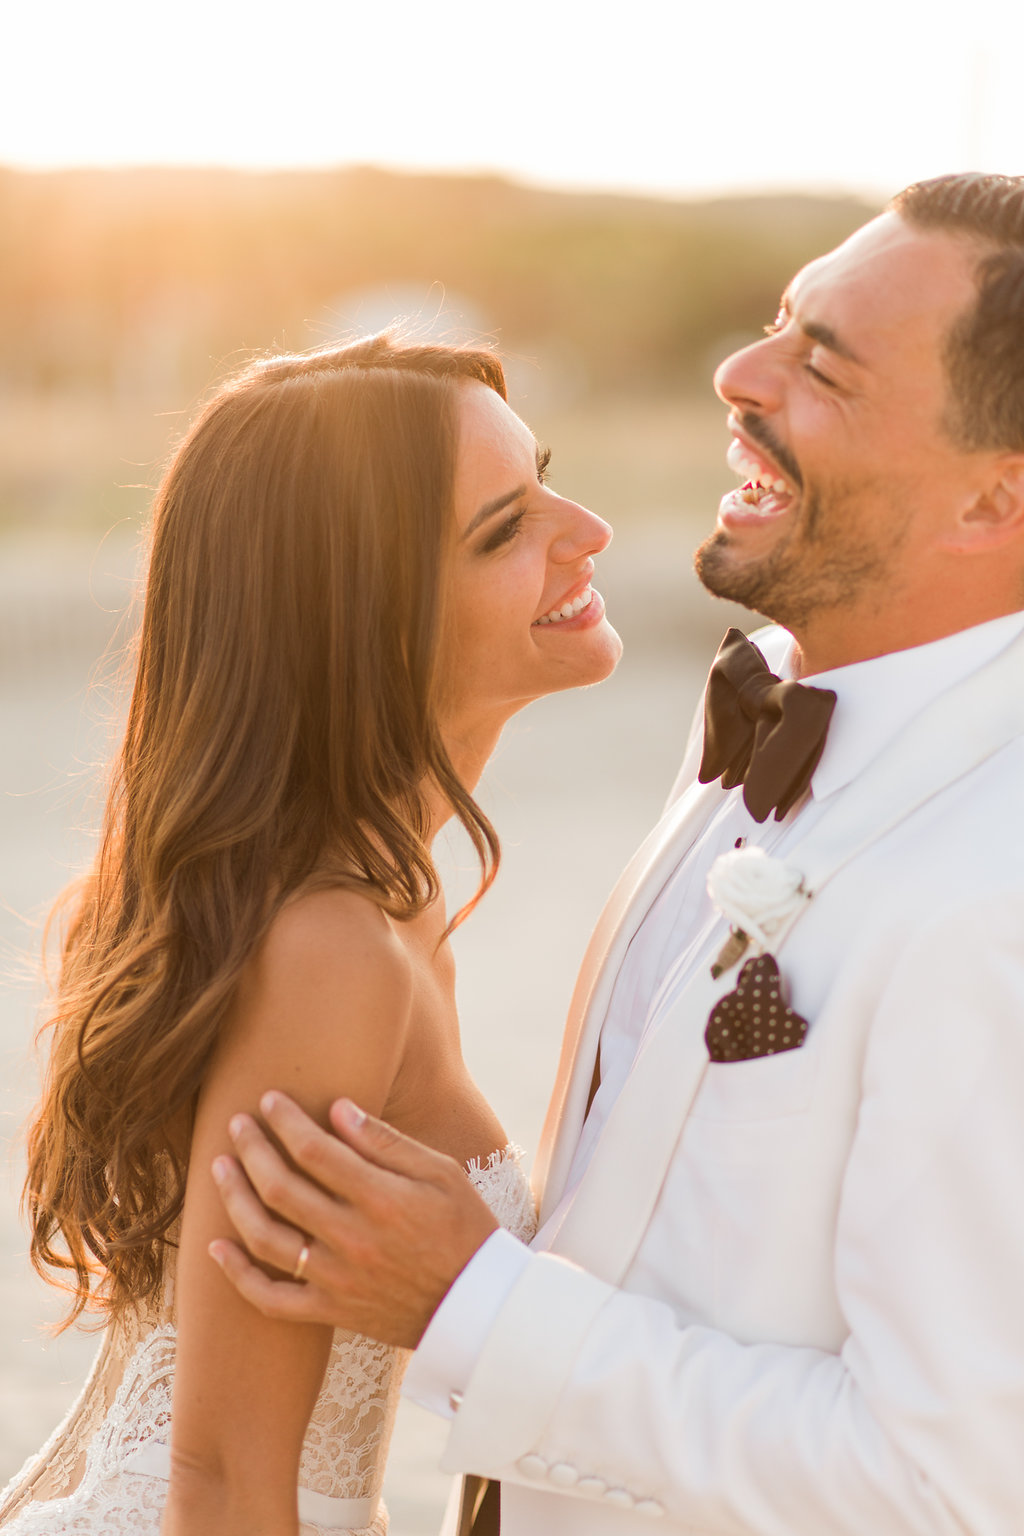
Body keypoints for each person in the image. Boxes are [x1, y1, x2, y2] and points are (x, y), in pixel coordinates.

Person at [208, 171, 1024, 1536]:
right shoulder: (769, 710)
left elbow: (953, 1488)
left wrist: (472, 1301)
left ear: (992, 507)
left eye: (823, 367)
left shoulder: (993, 892)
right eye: (776, 318)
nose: (736, 370)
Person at [0, 334, 622, 1536]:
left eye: (545, 476)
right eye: (504, 530)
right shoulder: (329, 942)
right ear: (365, 618)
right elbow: (225, 1485)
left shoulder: (379, 892)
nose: (587, 527)